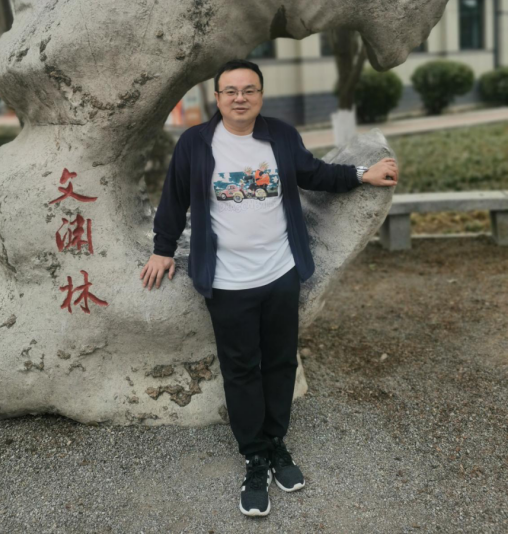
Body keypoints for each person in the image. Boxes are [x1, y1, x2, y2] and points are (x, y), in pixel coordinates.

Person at [140, 59, 399, 518]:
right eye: (231, 91)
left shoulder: (280, 135)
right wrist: (162, 249)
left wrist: (362, 174)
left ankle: (276, 441)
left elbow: (314, 174)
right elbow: (174, 198)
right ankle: (254, 456)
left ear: (260, 95)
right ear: (217, 98)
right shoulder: (196, 143)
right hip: (226, 281)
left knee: (280, 362)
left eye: (249, 90)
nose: (240, 98)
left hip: (280, 274)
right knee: (240, 369)